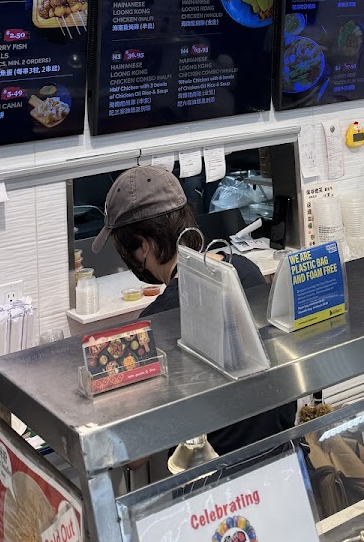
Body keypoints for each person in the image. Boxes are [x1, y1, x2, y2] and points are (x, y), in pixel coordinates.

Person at [92, 165, 296, 455]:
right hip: (284, 455)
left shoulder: (155, 322)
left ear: (144, 246)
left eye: (125, 250)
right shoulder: (245, 270)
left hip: (215, 474)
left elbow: (134, 451)